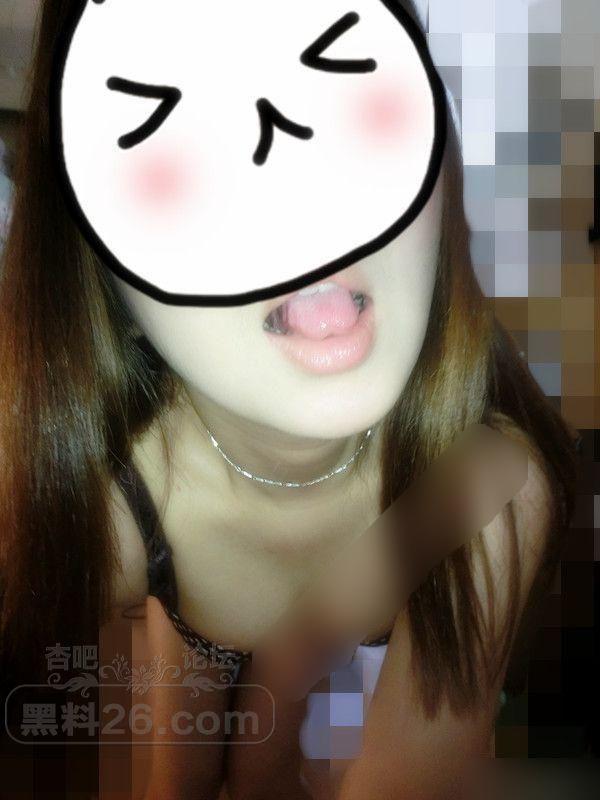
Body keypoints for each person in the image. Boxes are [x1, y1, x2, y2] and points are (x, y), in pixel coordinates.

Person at [0, 1, 579, 798]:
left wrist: (278, 697)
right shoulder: (100, 504)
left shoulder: (491, 489)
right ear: (100, 276)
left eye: (339, 73)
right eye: (168, 128)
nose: (294, 188)